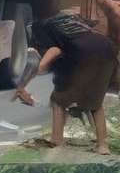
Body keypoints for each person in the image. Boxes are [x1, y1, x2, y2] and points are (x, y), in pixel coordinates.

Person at [15, 12, 115, 154]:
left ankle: (57, 140)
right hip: (107, 52)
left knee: (59, 101)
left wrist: (37, 64)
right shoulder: (84, 34)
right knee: (96, 103)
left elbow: (42, 67)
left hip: (82, 57)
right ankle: (102, 145)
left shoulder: (57, 42)